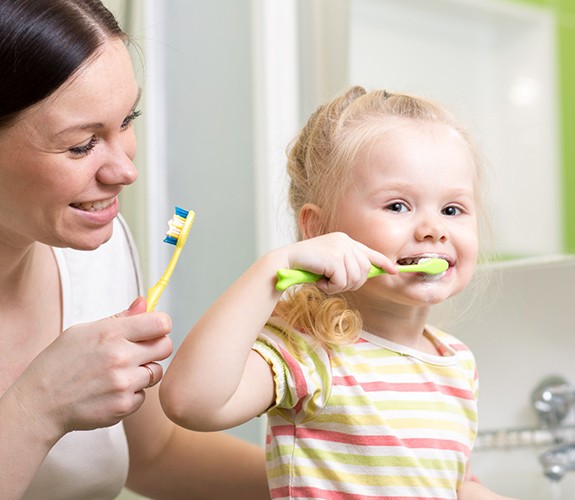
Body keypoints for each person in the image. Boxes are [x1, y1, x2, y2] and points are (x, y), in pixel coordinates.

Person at [160, 86, 514, 499]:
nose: (433, 228)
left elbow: (451, 483)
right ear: (320, 230)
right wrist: (273, 269)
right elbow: (189, 402)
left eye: (452, 209)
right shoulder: (312, 352)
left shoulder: (456, 364)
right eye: (398, 206)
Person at [0, 1, 269, 498]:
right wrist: (36, 407)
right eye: (82, 145)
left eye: (127, 120)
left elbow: (154, 455)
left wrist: (353, 482)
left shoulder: (98, 254)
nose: (125, 171)